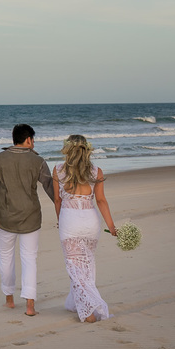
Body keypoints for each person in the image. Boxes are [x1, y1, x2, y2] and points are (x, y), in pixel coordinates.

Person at [0, 124, 54, 316]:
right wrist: (63, 208)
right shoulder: (37, 160)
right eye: (33, 139)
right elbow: (49, 187)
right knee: (29, 259)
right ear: (28, 140)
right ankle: (30, 306)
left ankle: (9, 300)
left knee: (6, 257)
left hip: (6, 217)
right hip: (31, 217)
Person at [53, 134, 117, 322]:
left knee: (74, 268)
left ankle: (89, 311)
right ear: (87, 150)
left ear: (67, 150)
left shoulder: (58, 170)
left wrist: (60, 220)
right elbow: (101, 200)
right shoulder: (96, 171)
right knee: (87, 266)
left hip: (69, 221)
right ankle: (79, 303)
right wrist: (111, 227)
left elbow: (57, 200)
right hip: (90, 222)